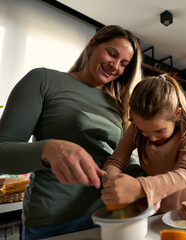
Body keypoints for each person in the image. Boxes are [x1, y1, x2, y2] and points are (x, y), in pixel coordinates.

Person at [0, 25, 143, 239]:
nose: (115, 66)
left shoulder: (117, 106)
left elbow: (123, 158)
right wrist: (48, 149)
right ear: (92, 44)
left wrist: (144, 183)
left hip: (108, 218)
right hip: (53, 224)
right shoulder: (43, 80)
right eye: (111, 54)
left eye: (124, 64)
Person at [101, 74, 186, 214]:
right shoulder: (135, 128)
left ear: (177, 114)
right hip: (150, 212)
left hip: (185, 212)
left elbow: (185, 173)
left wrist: (141, 187)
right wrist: (113, 184)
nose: (151, 138)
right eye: (144, 131)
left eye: (160, 130)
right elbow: (115, 162)